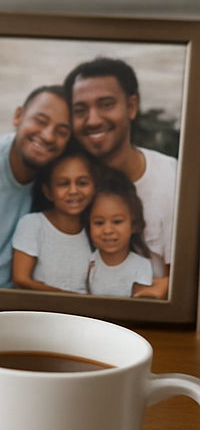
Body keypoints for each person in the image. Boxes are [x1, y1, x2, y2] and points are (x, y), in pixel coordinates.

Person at [64, 58, 177, 284]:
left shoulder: (173, 178)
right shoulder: (65, 185)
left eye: (106, 105)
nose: (93, 120)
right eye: (80, 110)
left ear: (131, 106)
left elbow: (182, 282)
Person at [0, 85, 71, 289]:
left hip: (5, 302)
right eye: (40, 121)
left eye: (61, 132)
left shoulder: (59, 188)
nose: (48, 136)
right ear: (18, 116)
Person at [11, 146, 95, 294]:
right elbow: (21, 279)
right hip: (41, 307)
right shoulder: (34, 224)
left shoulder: (96, 229)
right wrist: (71, 299)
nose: (73, 191)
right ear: (48, 192)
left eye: (82, 183)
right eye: (63, 184)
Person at [85, 168, 160, 298]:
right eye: (99, 223)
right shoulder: (88, 264)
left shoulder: (141, 266)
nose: (108, 230)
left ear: (134, 225)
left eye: (117, 221)